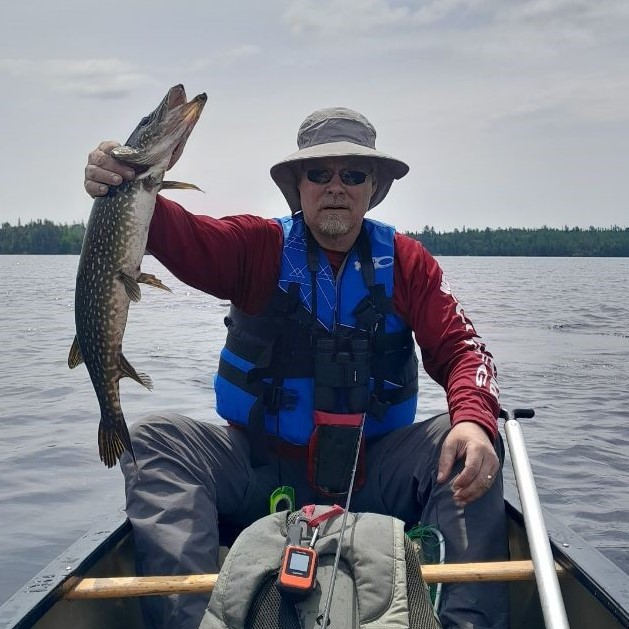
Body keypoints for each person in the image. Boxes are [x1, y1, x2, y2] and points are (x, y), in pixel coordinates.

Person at [84, 106, 510, 629]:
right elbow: (174, 233)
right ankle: (189, 621)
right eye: (319, 173)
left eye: (353, 175)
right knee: (156, 439)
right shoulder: (256, 247)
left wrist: (472, 417)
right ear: (298, 185)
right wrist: (123, 180)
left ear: (373, 187)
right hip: (260, 468)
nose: (336, 187)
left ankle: (465, 622)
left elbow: (464, 349)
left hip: (374, 471)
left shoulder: (406, 262)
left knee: (468, 438)